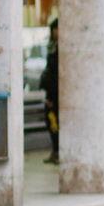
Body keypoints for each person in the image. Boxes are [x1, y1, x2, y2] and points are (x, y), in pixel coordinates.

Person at [39, 19, 60, 164]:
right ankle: (55, 150)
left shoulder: (60, 49)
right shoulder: (52, 47)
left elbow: (55, 73)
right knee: (51, 122)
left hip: (58, 92)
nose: (56, 32)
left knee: (55, 122)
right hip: (52, 91)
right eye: (55, 29)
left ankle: (58, 151)